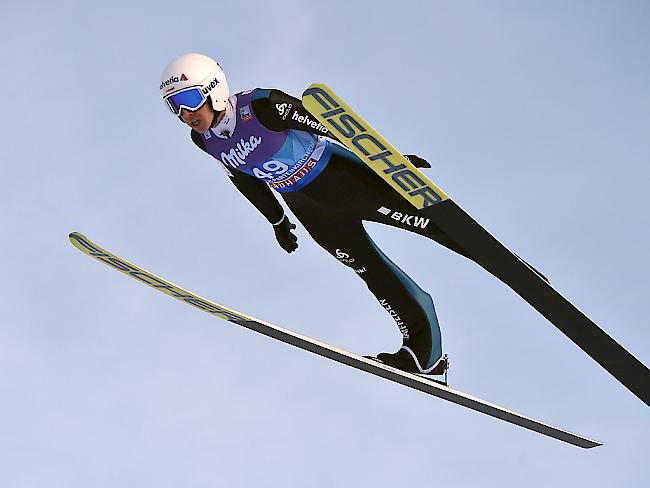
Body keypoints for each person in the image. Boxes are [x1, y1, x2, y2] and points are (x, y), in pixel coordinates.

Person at [159, 53, 463, 375]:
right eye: (173, 106)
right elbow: (243, 178)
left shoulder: (263, 106)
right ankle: (425, 356)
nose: (185, 113)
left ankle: (496, 258)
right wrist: (276, 220)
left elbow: (331, 126)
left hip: (346, 179)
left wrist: (387, 160)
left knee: (439, 226)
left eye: (188, 99)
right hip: (311, 208)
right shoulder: (203, 140)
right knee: (373, 271)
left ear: (214, 89)